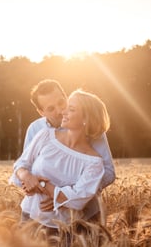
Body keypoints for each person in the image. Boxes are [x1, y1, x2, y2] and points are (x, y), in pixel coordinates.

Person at [13, 79, 115, 221]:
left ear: (66, 96)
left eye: (61, 102)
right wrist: (27, 180)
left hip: (84, 216)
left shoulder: (90, 128)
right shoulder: (37, 130)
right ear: (41, 112)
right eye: (51, 108)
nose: (60, 111)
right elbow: (23, 168)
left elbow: (108, 173)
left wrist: (65, 197)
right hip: (38, 216)